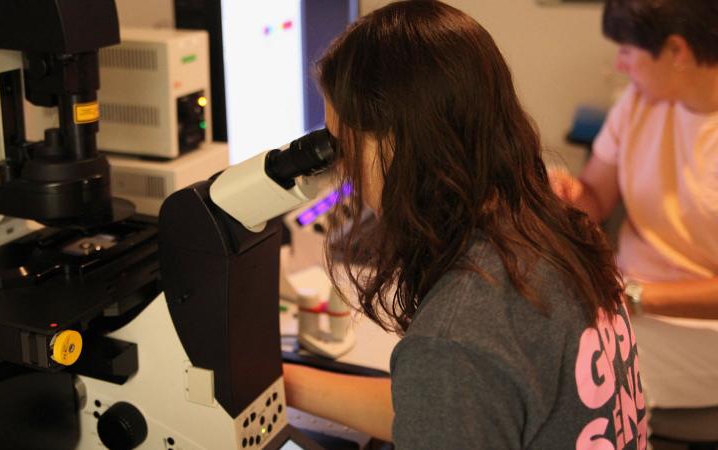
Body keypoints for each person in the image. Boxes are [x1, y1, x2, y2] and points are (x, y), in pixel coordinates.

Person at [283, 1, 647, 448]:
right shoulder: (552, 231)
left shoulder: (459, 335)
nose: (348, 175)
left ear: (395, 143)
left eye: (344, 146)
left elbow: (453, 380)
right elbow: (446, 406)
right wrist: (280, 382)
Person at [550, 0, 718, 409]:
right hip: (628, 305)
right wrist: (568, 194)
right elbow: (595, 200)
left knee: (568, 373)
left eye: (627, 50)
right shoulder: (639, 102)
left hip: (701, 328)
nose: (620, 65)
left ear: (677, 51)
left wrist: (637, 297)